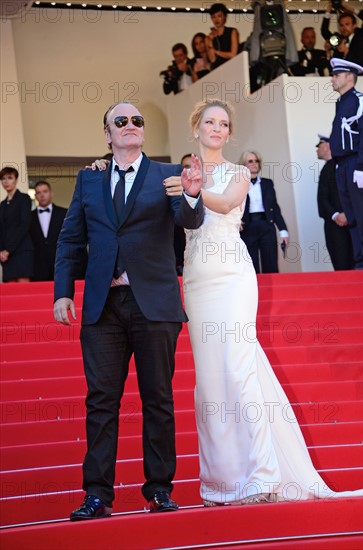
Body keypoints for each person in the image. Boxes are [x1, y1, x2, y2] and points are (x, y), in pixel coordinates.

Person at [175, 98, 363, 505]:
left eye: (223, 123)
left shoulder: (239, 173)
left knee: (239, 366)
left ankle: (263, 478)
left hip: (233, 277)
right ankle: (221, 484)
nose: (216, 128)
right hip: (196, 280)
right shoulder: (176, 175)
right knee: (210, 382)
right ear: (196, 127)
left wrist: (191, 189)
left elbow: (226, 204)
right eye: (209, 121)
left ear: (228, 131)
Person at [53, 101, 204, 520]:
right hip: (103, 305)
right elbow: (69, 241)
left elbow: (189, 221)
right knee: (101, 401)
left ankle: (159, 489)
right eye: (121, 121)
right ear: (107, 134)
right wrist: (63, 292)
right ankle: (97, 495)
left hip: (154, 302)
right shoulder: (88, 179)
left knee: (158, 399)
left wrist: (192, 193)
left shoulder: (169, 174)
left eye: (137, 120)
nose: (131, 126)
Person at [329, 58, 363, 270]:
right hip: (343, 165)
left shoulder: (359, 100)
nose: (332, 79)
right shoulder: (341, 102)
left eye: (337, 75)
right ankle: (360, 261)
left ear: (350, 77)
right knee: (352, 215)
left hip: (356, 163)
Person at [238, 151, 288, 274]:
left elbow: (275, 208)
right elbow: (233, 205)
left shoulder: (267, 183)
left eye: (257, 161)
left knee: (271, 264)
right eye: (250, 161)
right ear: (243, 164)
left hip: (267, 225)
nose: (254, 164)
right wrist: (236, 221)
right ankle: (255, 293)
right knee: (251, 266)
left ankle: (274, 292)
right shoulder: (238, 184)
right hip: (247, 227)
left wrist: (283, 231)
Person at [316, 134, 354, 270]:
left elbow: (355, 193)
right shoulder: (327, 169)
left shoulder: (348, 166)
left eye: (318, 146)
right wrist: (335, 215)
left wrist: (348, 214)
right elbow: (323, 198)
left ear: (327, 147)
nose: (316, 149)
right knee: (341, 263)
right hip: (334, 223)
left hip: (353, 222)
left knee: (356, 263)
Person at [30, 181, 69, 281]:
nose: (42, 195)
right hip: (37, 268)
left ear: (51, 193)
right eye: (38, 193)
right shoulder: (29, 217)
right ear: (35, 196)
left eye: (45, 191)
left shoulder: (64, 213)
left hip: (61, 266)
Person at [0, 166, 34, 282]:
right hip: (6, 256)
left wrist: (8, 250)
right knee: (10, 293)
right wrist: (1, 251)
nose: (6, 181)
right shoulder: (2, 205)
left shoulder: (24, 198)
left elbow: (24, 225)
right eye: (3, 178)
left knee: (23, 292)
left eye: (10, 178)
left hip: (22, 251)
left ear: (16, 180)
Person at [321, 2, 363, 74]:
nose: (344, 28)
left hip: (361, 81)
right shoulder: (338, 40)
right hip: (341, 81)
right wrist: (328, 11)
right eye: (341, 25)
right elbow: (324, 31)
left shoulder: (360, 38)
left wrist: (350, 9)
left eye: (347, 24)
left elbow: (359, 64)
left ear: (354, 25)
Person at [206, 3, 239, 71]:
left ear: (225, 16)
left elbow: (233, 54)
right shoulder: (209, 37)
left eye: (219, 16)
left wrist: (216, 52)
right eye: (213, 17)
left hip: (231, 68)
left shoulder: (232, 32)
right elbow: (212, 59)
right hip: (217, 70)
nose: (216, 19)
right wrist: (210, 41)